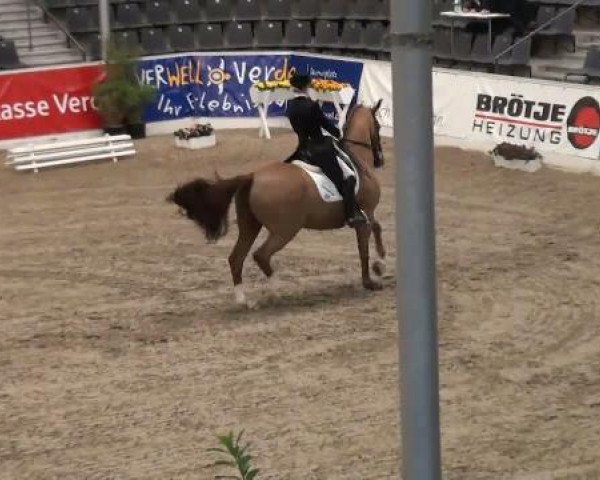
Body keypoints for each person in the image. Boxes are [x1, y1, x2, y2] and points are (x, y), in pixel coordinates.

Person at [283, 73, 367, 227]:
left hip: (302, 148)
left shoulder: (291, 107)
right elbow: (325, 125)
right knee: (347, 179)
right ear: (306, 86)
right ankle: (351, 215)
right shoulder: (312, 105)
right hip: (319, 149)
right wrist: (338, 133)